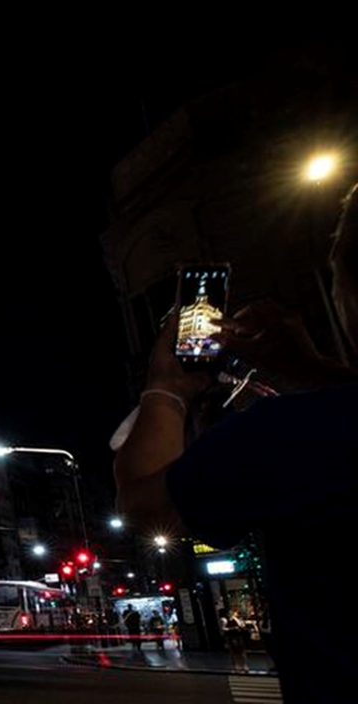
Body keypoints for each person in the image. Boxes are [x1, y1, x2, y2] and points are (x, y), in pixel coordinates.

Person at [114, 182, 358, 702]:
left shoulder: (292, 434)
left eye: (337, 272)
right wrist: (314, 370)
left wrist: (167, 389)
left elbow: (143, 503)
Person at [220, 608, 248, 673]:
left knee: (241, 651)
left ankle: (244, 665)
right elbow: (223, 628)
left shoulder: (236, 618)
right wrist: (232, 629)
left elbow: (242, 625)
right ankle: (236, 665)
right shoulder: (224, 619)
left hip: (238, 636)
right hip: (231, 636)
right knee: (234, 652)